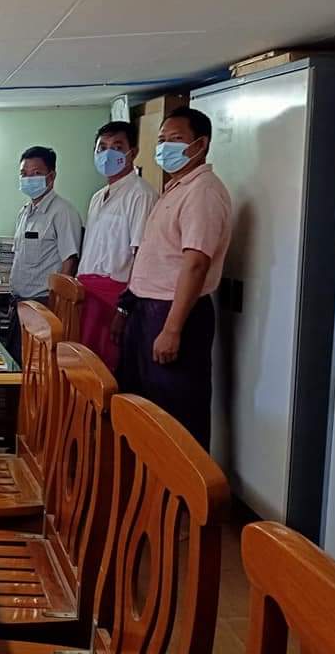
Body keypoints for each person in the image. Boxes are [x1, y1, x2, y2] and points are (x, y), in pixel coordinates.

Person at [114, 107, 232, 450]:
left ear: (201, 144)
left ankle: (181, 484)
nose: (166, 147)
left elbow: (196, 263)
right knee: (146, 404)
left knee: (176, 410)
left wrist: (172, 329)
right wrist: (126, 309)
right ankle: (148, 479)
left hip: (174, 313)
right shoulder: (176, 188)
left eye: (176, 139)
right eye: (162, 139)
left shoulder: (203, 192)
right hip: (147, 309)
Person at [78, 121, 158, 370]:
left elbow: (141, 256)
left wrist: (123, 310)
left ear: (133, 152)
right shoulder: (97, 197)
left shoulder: (141, 194)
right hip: (88, 294)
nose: (108, 153)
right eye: (102, 147)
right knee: (86, 369)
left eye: (117, 146)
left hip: (116, 298)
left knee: (110, 370)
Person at [6, 145, 83, 361]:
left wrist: (59, 307)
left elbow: (70, 260)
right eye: (24, 174)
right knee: (17, 365)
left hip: (45, 305)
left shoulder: (63, 212)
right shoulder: (25, 213)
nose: (28, 179)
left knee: (38, 368)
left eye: (36, 173)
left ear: (51, 176)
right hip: (20, 303)